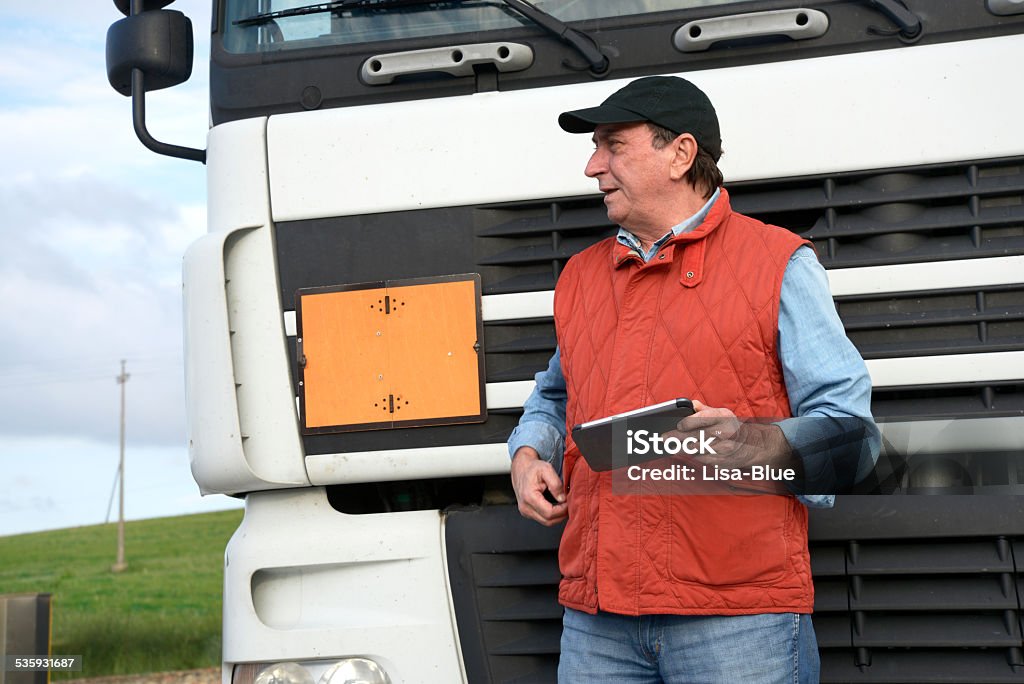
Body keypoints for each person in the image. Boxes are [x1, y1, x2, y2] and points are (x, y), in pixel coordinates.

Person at [507, 76, 879, 683]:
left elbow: (852, 438)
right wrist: (527, 452)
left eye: (613, 145)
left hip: (737, 617)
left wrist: (753, 445)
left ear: (681, 154)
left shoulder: (779, 263)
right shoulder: (579, 277)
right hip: (597, 617)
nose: (592, 166)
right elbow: (555, 396)